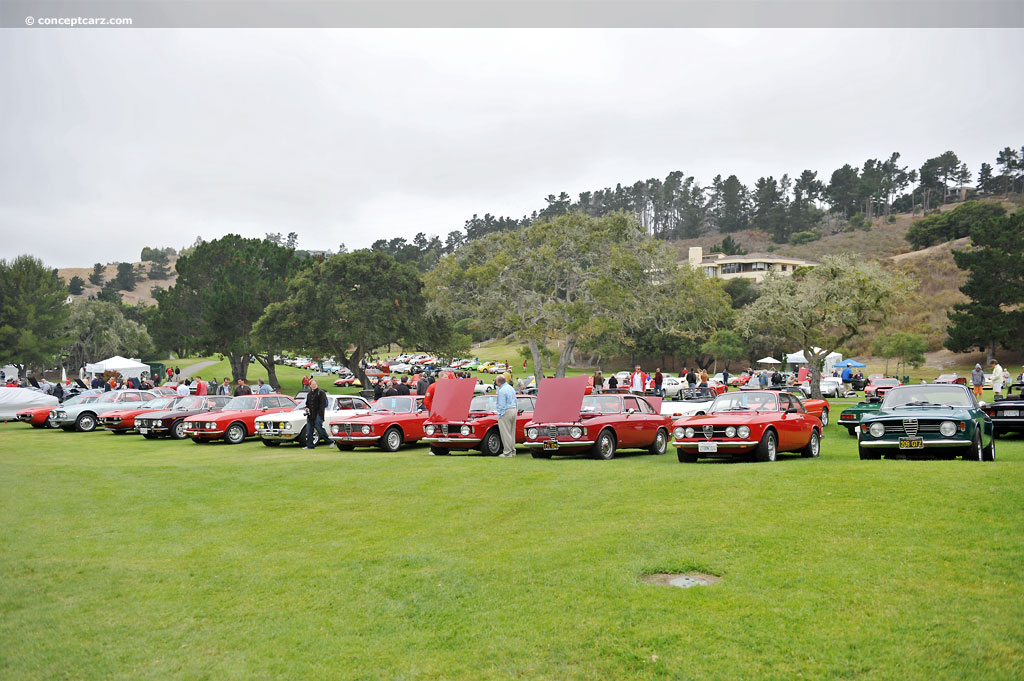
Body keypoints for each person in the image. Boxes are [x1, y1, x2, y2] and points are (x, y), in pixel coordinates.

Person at [303, 379, 331, 450]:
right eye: (312, 384)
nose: (314, 385)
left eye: (315, 384)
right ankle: (310, 445)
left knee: (319, 429)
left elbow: (322, 405)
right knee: (309, 430)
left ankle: (330, 441)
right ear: (310, 385)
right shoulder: (309, 394)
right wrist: (306, 408)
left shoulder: (321, 393)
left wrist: (319, 415)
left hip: (318, 415)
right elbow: (307, 404)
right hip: (310, 415)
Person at [495, 375, 517, 457]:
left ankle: (507, 452)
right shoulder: (511, 388)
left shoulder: (502, 391)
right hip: (513, 409)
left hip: (506, 411)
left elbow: (501, 404)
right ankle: (513, 451)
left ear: (499, 382)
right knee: (512, 432)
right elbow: (515, 400)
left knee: (505, 432)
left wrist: (500, 414)